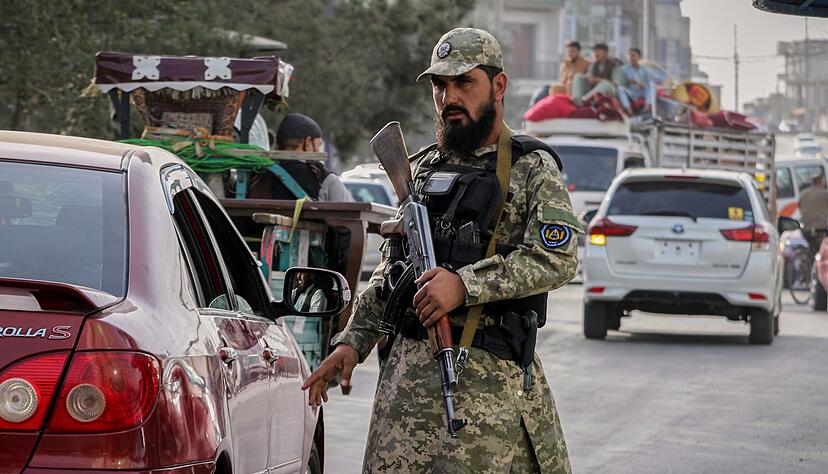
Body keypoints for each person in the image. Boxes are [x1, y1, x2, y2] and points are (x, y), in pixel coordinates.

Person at [302, 27, 581, 473]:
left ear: (498, 85)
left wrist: (464, 285)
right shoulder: (423, 168)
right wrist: (352, 342)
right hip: (403, 394)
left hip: (487, 394)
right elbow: (392, 271)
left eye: (464, 82)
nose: (449, 97)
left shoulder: (531, 168)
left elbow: (557, 258)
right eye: (439, 85)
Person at [247, 113, 353, 202]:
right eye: (318, 145)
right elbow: (350, 214)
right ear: (308, 143)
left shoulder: (256, 174)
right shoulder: (323, 178)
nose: (318, 150)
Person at [798, 174, 828, 258]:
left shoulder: (803, 194)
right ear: (821, 182)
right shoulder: (825, 194)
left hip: (806, 229)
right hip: (821, 229)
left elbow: (800, 207)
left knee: (812, 249)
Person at [617, 47, 654, 116]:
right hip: (629, 91)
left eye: (634, 55)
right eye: (630, 55)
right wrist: (629, 81)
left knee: (651, 87)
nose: (631, 58)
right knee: (620, 89)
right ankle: (629, 111)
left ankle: (646, 108)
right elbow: (620, 83)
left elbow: (647, 83)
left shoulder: (644, 70)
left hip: (639, 91)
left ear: (639, 57)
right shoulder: (623, 69)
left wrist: (642, 85)